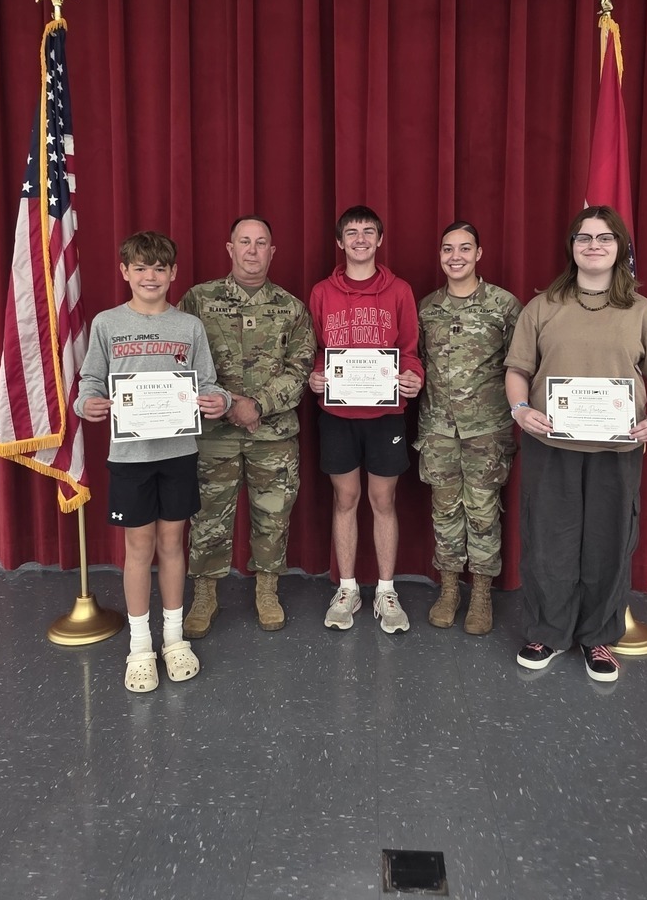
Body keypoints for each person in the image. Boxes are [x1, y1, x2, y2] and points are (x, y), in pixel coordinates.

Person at [504, 206, 647, 682]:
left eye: (605, 239)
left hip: (616, 452)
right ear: (572, 248)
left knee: (608, 545)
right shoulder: (543, 306)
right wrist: (521, 411)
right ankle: (548, 630)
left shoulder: (643, 313)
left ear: (620, 248)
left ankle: (598, 638)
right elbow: (517, 369)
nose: (594, 246)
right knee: (548, 543)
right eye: (584, 238)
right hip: (552, 446)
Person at [76, 231, 232, 693]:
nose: (151, 276)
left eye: (160, 268)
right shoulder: (107, 323)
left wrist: (218, 401)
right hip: (130, 457)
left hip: (178, 453)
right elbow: (89, 382)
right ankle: (140, 647)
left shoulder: (189, 327)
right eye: (141, 268)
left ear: (173, 274)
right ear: (124, 272)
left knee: (172, 545)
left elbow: (211, 382)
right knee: (138, 550)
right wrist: (88, 404)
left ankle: (173, 638)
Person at [179, 216, 316, 634]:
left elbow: (301, 368)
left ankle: (267, 590)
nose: (253, 250)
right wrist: (226, 403)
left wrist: (257, 404)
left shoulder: (292, 308)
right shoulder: (198, 301)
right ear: (230, 248)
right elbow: (178, 361)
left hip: (271, 434)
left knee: (273, 516)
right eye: (245, 242)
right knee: (206, 516)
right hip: (212, 434)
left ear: (272, 252)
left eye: (261, 243)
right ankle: (205, 595)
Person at [308, 205, 424, 634]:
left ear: (379, 239)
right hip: (337, 414)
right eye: (351, 232)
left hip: (385, 415)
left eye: (368, 231)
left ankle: (386, 590)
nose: (360, 239)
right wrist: (315, 377)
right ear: (339, 242)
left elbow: (409, 349)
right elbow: (315, 350)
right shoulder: (322, 292)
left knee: (383, 501)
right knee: (345, 499)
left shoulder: (400, 291)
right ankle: (348, 587)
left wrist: (413, 376)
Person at [417, 222, 521, 634]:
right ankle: (448, 589)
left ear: (479, 253)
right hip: (439, 429)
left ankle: (480, 593)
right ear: (439, 255)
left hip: (487, 430)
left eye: (464, 248)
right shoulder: (426, 308)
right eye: (447, 249)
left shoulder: (504, 305)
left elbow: (523, 365)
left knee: (482, 512)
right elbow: (416, 362)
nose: (455, 256)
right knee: (444, 511)